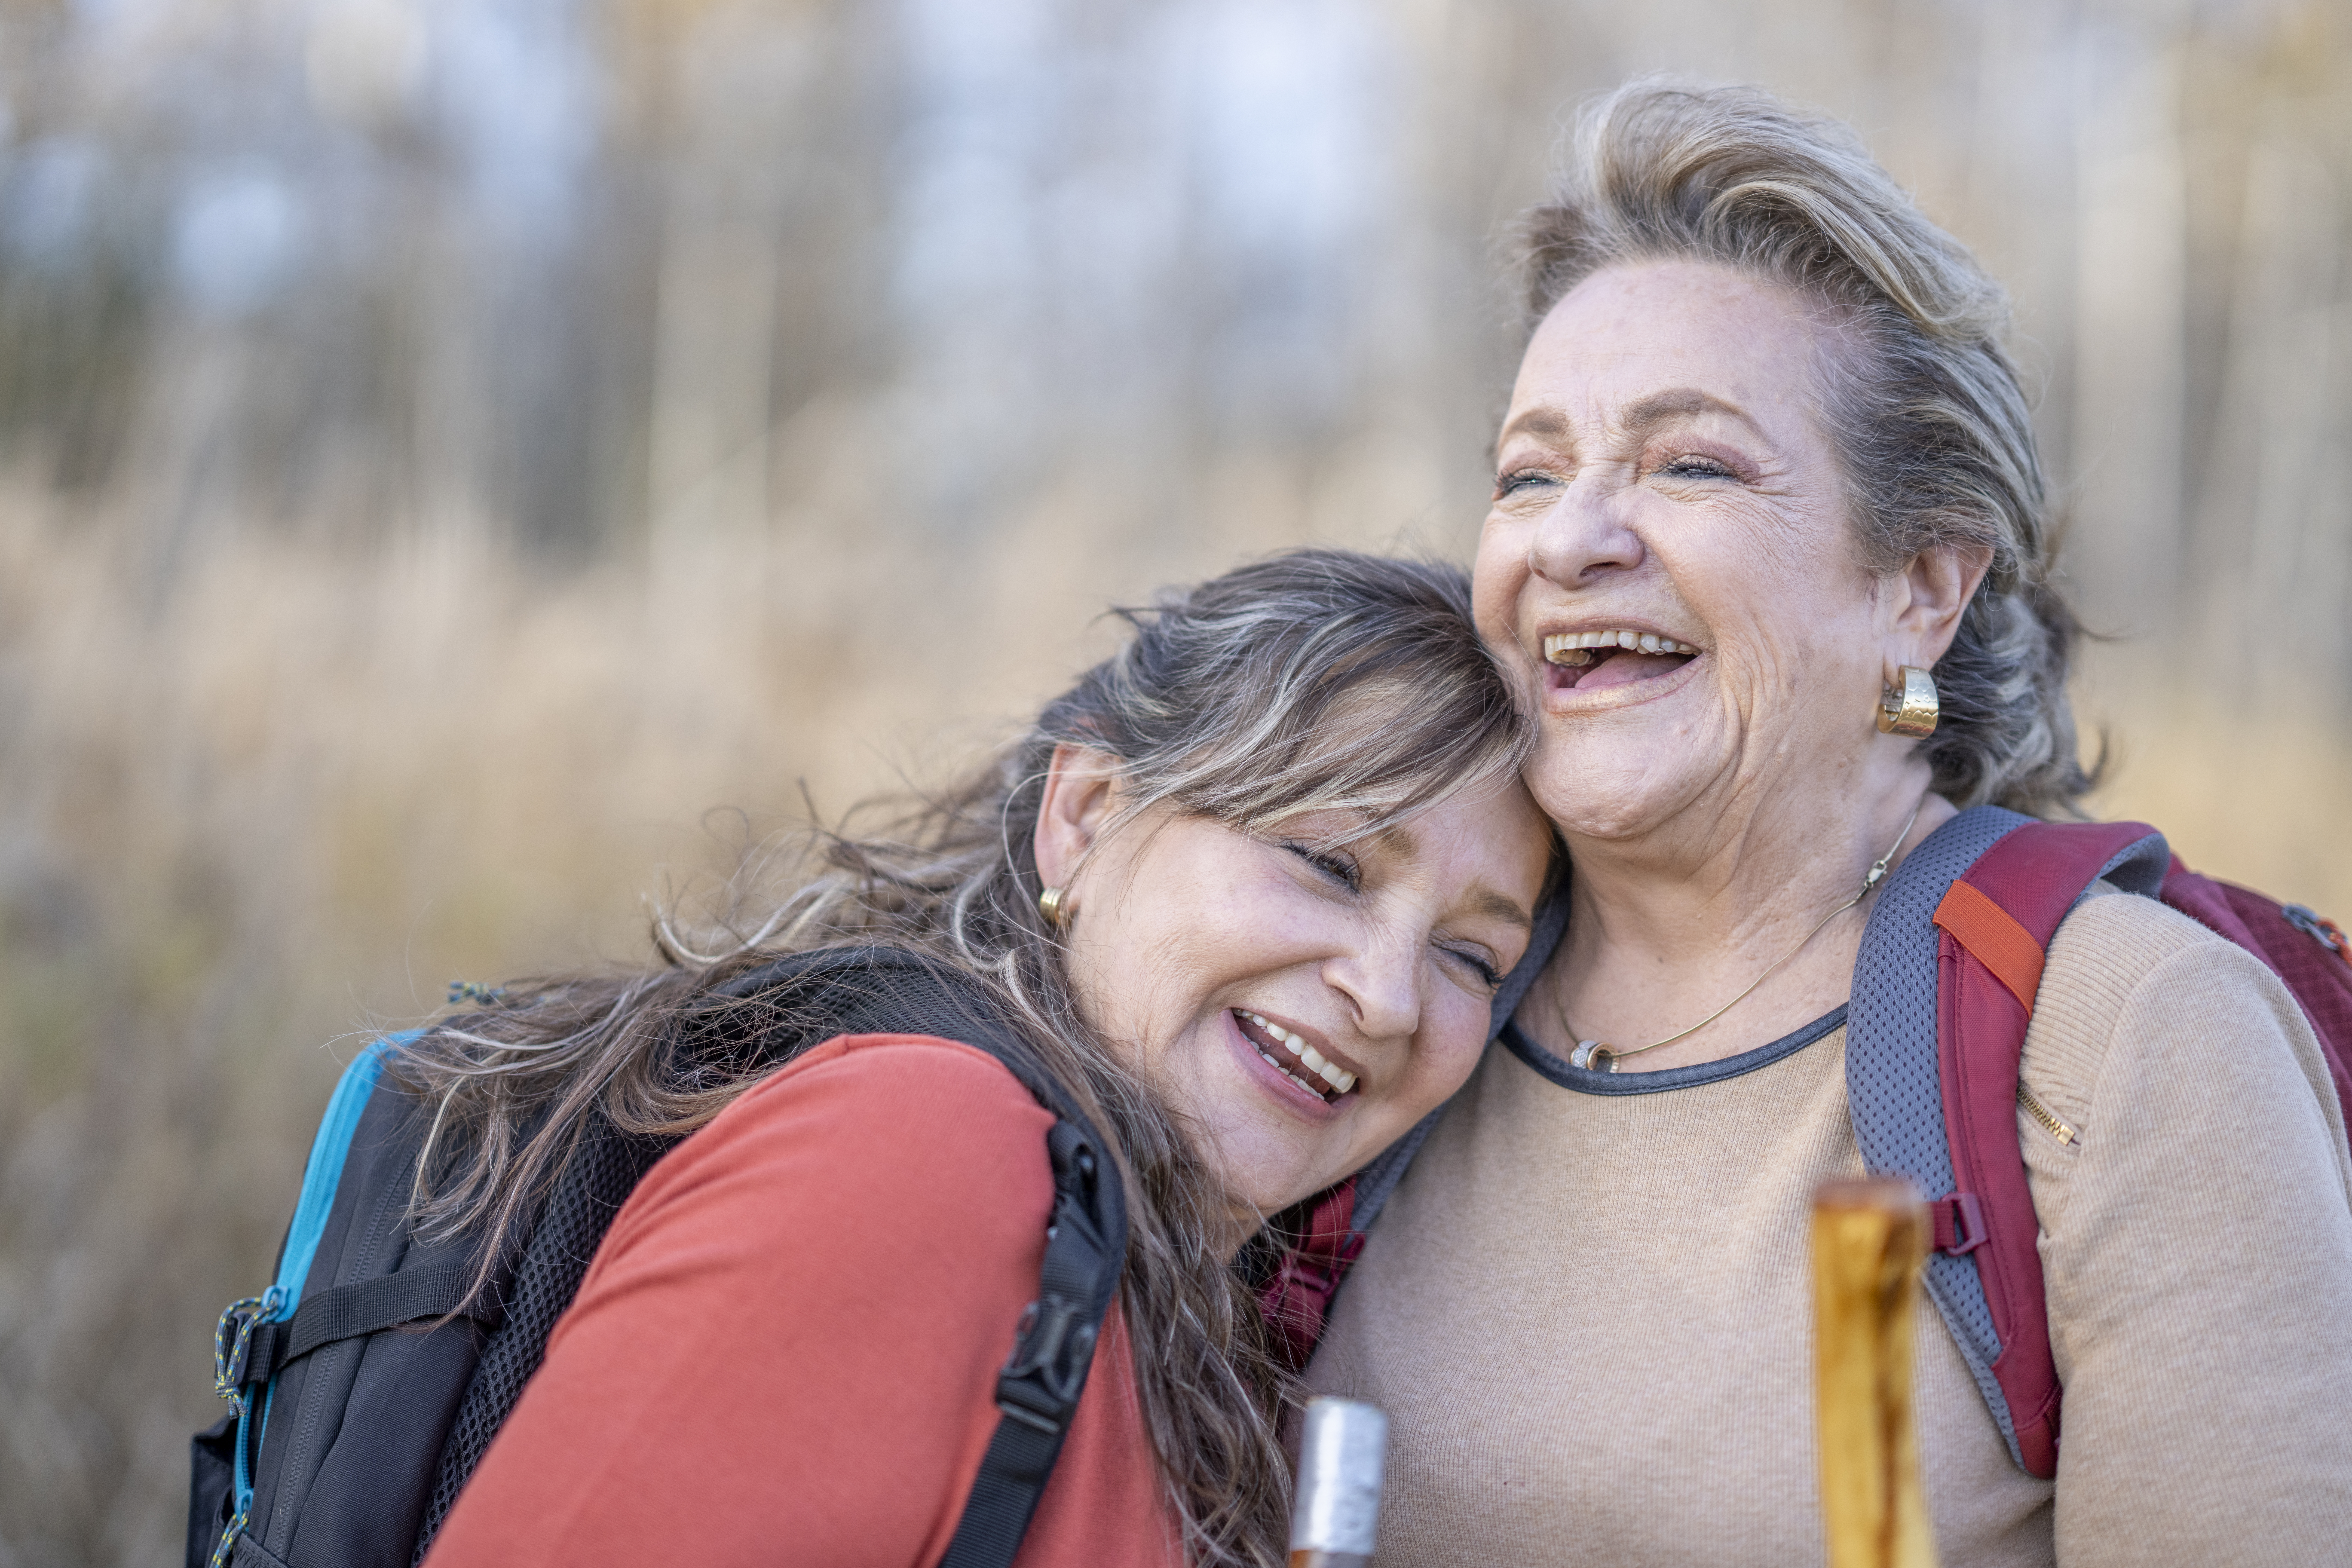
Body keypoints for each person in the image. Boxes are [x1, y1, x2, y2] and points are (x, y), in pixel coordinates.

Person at [1308, 80, 2352, 1565]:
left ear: (1923, 586)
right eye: (1528, 473)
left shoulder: (2129, 1040)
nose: (1569, 538)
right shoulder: (1383, 991)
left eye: (1693, 464)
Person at [411, 550, 1555, 1568]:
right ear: (1089, 811)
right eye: (1331, 863)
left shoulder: (1159, 1289)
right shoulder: (921, 1152)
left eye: (1470, 956)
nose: (1390, 995)